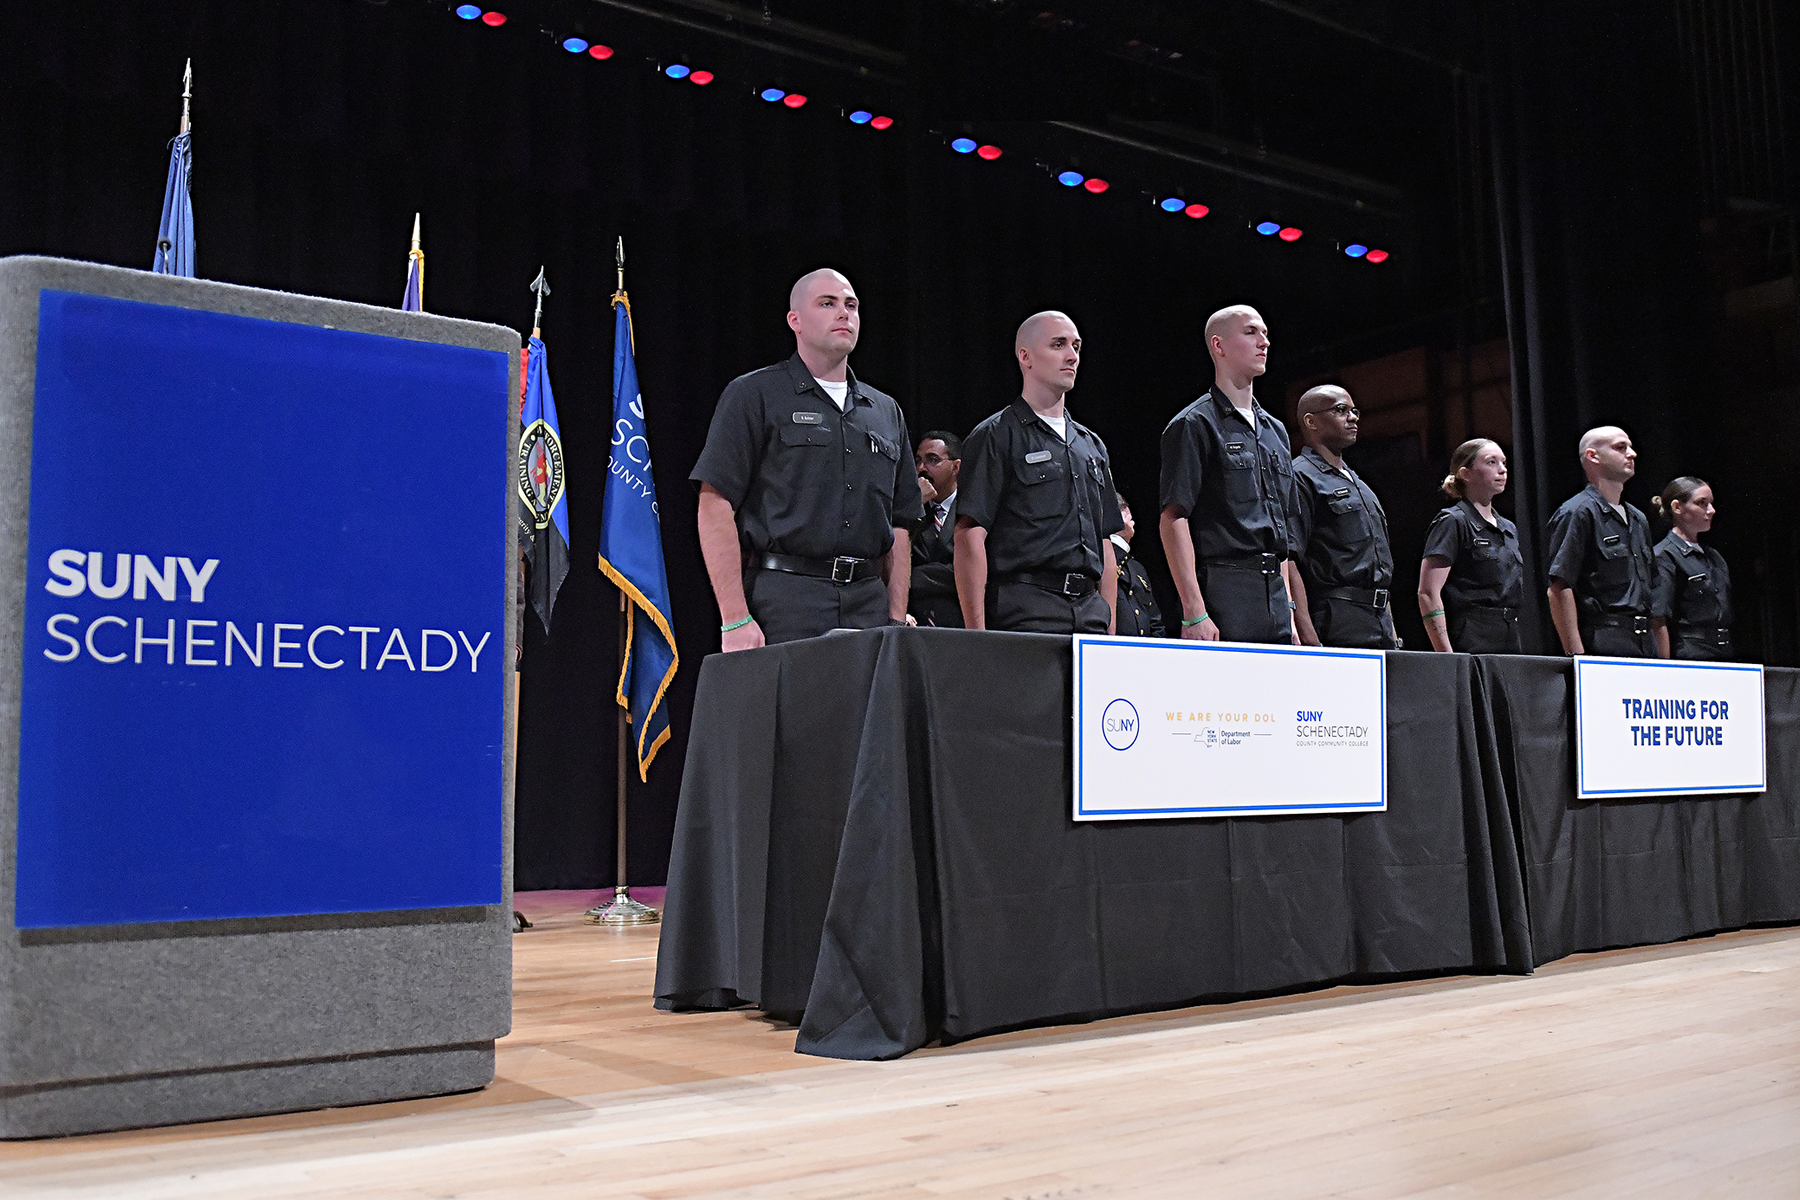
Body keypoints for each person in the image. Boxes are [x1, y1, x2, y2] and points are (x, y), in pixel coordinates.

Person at [690, 268, 921, 649]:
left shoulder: (885, 410)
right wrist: (734, 618)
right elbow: (715, 504)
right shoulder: (755, 394)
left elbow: (900, 522)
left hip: (868, 606)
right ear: (794, 320)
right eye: (827, 303)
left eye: (851, 305)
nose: (843, 313)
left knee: (870, 711)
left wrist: (895, 616)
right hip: (785, 601)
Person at [954, 311, 1122, 634]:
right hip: (1027, 610)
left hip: (1090, 612)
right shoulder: (997, 435)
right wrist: (977, 637)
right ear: (1025, 356)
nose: (1072, 356)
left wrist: (1110, 634)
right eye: (1058, 345)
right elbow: (969, 535)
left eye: (1076, 346)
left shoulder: (1091, 445)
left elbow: (1105, 542)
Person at [1158, 305, 1303, 644]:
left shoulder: (1276, 431)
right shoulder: (1194, 425)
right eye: (1251, 332)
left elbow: (1280, 531)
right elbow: (1173, 518)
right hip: (1226, 589)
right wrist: (1194, 610)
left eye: (1265, 333)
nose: (1263, 341)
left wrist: (1291, 615)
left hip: (1276, 595)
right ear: (1219, 346)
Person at [1287, 385, 1397, 649]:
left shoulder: (1360, 484)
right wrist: (1305, 631)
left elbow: (1378, 560)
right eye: (1340, 410)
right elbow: (1290, 558)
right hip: (1335, 619)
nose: (1353, 417)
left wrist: (1392, 631)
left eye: (1354, 410)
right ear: (1311, 421)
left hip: (1377, 618)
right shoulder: (1300, 477)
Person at [1544, 426, 1656, 657]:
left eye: (1631, 447)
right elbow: (1559, 587)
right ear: (1593, 456)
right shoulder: (1577, 512)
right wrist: (1577, 655)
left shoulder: (1637, 518)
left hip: (1644, 640)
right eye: (1620, 447)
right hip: (1604, 639)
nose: (1632, 454)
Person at [1417, 438, 1526, 653]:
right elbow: (1428, 592)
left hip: (1509, 634)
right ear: (1465, 473)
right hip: (1471, 636)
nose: (1502, 470)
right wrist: (1447, 655)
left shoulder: (1508, 527)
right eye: (1491, 462)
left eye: (1504, 462)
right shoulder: (1453, 521)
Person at [1650, 477, 1732, 660]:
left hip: (1723, 652)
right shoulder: (1664, 556)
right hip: (1690, 653)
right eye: (1702, 503)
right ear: (1677, 507)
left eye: (1710, 503)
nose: (1711, 511)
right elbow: (1658, 618)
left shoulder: (1713, 556)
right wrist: (1664, 668)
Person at [909, 431, 964, 628]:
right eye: (918, 460)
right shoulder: (907, 509)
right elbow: (893, 558)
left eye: (932, 460)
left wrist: (910, 579)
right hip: (916, 621)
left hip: (960, 621)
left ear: (956, 466)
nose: (922, 468)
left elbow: (966, 574)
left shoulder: (970, 509)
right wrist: (915, 505)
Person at [1111, 493, 1166, 638]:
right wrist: (1114, 539)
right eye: (1121, 509)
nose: (1128, 512)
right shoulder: (1102, 557)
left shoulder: (1137, 568)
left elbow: (1155, 622)